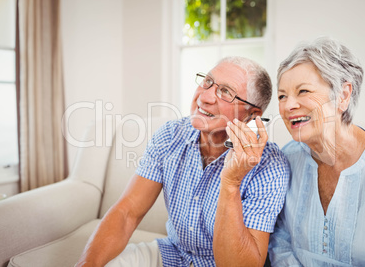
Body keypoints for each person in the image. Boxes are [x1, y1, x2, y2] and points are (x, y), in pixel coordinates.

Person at [76, 56, 290, 267]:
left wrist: (231, 182)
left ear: (252, 115)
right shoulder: (170, 135)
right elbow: (127, 213)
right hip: (172, 254)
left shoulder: (270, 166)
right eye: (207, 82)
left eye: (225, 92)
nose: (204, 97)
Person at [268, 37, 365, 266]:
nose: (288, 106)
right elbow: (280, 243)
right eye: (282, 96)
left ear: (343, 95)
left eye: (303, 91)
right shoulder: (284, 160)